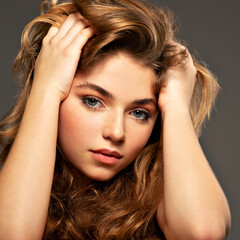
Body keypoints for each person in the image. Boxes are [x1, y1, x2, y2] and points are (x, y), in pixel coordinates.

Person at [0, 0, 231, 239]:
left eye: (139, 113)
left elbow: (203, 233)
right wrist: (45, 89)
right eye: (92, 101)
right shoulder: (13, 189)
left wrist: (176, 106)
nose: (117, 133)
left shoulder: (162, 197)